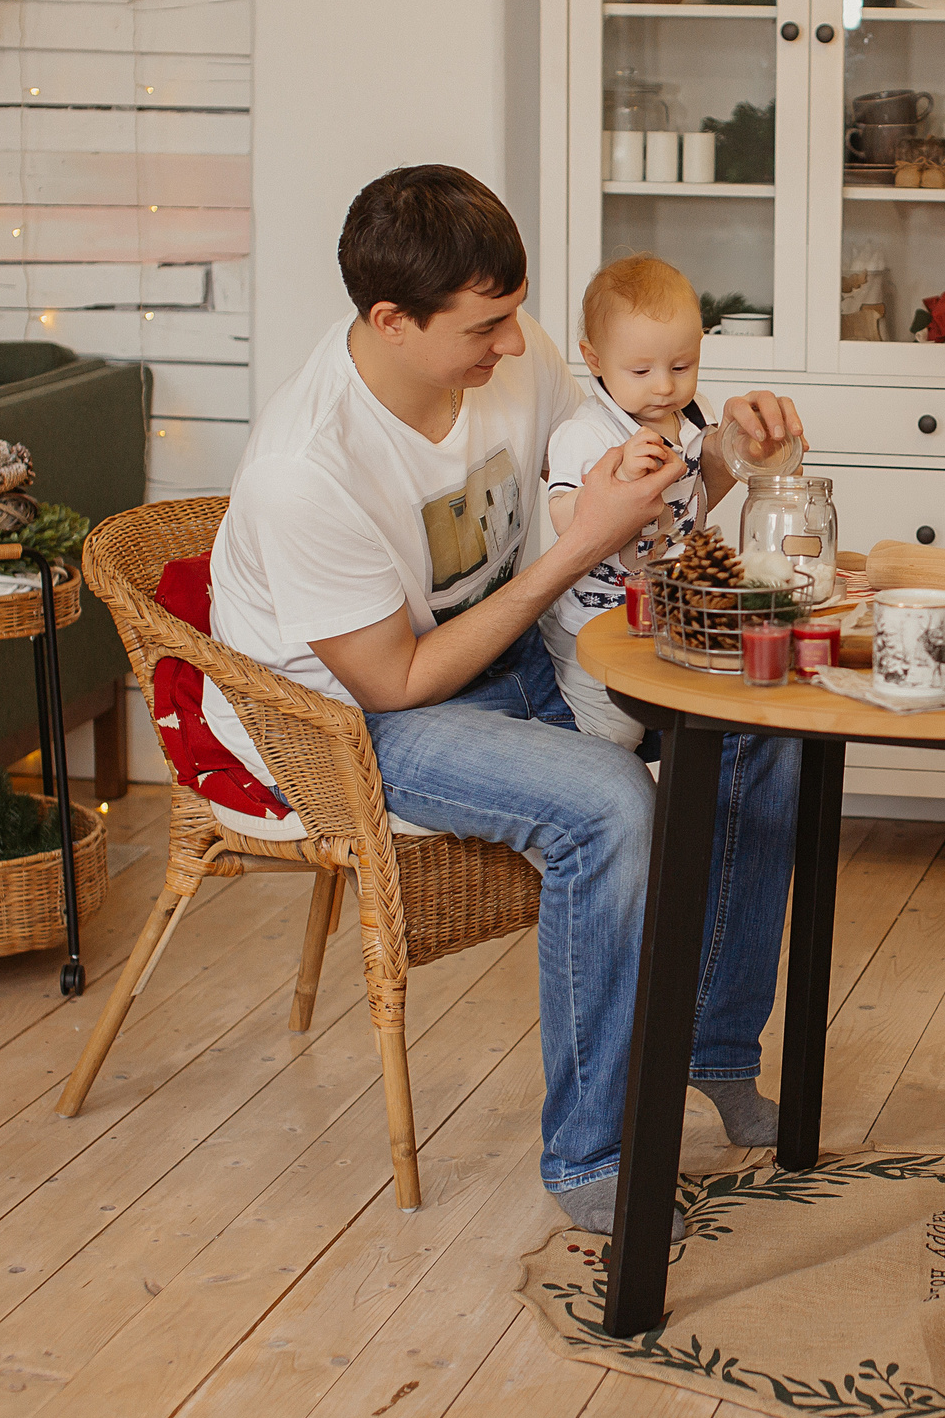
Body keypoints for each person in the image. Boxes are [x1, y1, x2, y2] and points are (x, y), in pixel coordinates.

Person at [204, 165, 805, 1234]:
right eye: (488, 323)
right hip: (349, 722)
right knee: (611, 805)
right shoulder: (307, 466)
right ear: (392, 321)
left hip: (507, 653)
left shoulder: (504, 376)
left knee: (769, 721)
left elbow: (621, 498)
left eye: (515, 311)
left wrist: (719, 457)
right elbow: (394, 680)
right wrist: (575, 549)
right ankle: (592, 1155)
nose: (516, 345)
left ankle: (712, 1044)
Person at [541, 253, 801, 748]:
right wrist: (617, 480)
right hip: (596, 622)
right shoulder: (586, 433)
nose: (665, 386)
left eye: (682, 366)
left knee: (705, 710)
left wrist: (754, 448)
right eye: (640, 370)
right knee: (616, 736)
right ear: (594, 359)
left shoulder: (692, 414)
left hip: (672, 606)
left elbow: (708, 479)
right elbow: (564, 523)